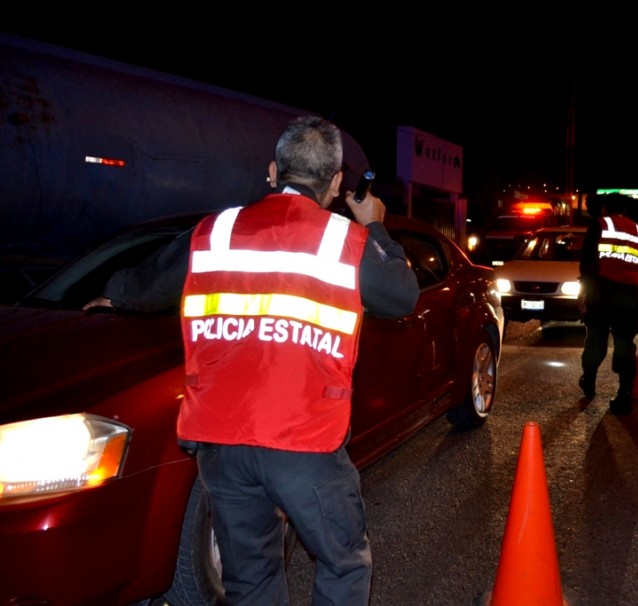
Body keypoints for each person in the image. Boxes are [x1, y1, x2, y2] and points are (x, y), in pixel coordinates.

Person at [84, 115, 420, 604]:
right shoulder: (346, 243)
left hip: (220, 444)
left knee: (250, 578)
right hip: (305, 441)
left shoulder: (215, 232)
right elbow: (402, 295)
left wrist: (114, 297)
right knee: (342, 563)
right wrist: (376, 227)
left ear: (271, 171)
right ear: (335, 183)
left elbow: (148, 282)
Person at [577, 193, 638, 415]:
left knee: (596, 339)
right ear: (625, 209)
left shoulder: (600, 224)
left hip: (603, 292)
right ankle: (624, 394)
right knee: (624, 344)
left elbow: (588, 260)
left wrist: (586, 287)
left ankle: (589, 380)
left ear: (604, 208)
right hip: (631, 295)